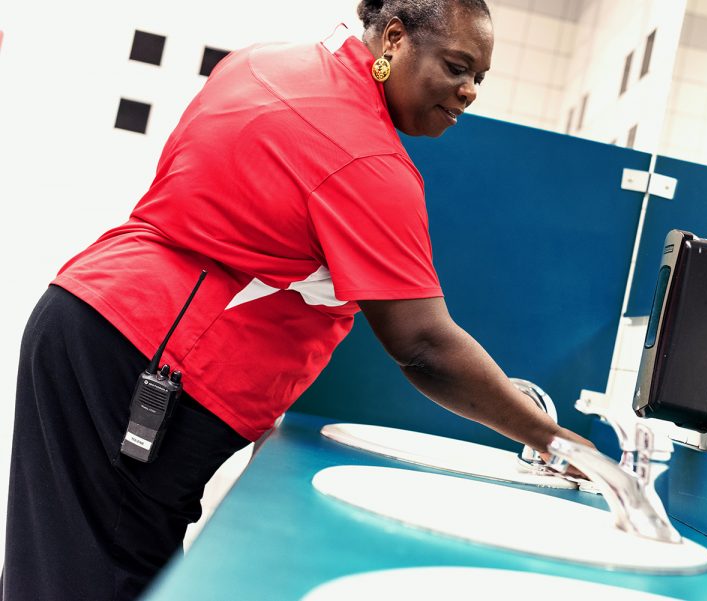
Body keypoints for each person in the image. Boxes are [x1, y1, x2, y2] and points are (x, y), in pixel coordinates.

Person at [2, 1, 592, 599]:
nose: (468, 92)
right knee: (101, 580)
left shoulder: (264, 62)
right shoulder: (368, 160)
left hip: (88, 311)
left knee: (60, 570)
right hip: (149, 365)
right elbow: (424, 345)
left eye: (479, 78)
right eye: (457, 66)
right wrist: (557, 440)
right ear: (395, 38)